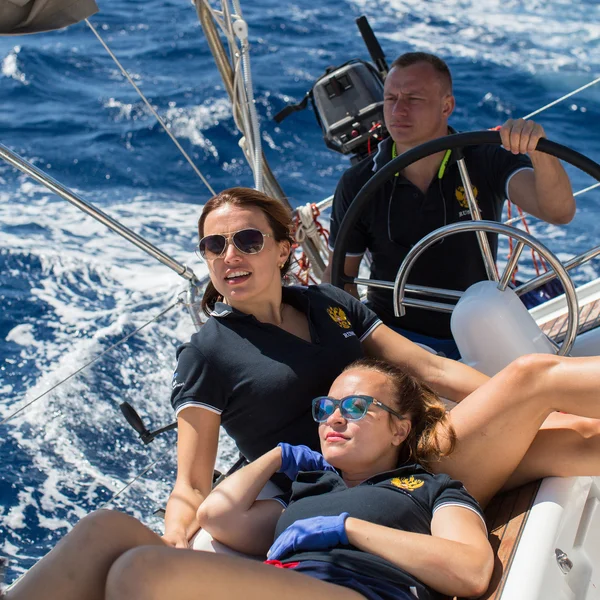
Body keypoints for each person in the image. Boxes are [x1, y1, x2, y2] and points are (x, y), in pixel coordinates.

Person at [165, 186, 600, 555]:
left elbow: (431, 368)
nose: (229, 255)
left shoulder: (328, 303)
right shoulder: (207, 354)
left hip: (410, 450)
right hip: (364, 490)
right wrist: (172, 550)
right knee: (533, 376)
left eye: (247, 240)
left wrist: (537, 414)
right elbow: (191, 485)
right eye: (214, 245)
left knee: (576, 441)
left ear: (283, 249)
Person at [5, 359, 494, 600]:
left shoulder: (430, 489)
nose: (334, 419)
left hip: (360, 591)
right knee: (105, 528)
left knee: (141, 572)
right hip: (282, 584)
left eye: (356, 408)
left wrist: (347, 529)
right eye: (326, 409)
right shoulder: (309, 489)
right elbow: (215, 515)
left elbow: (470, 570)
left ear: (400, 427)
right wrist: (276, 457)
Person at [323, 51, 575, 358]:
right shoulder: (359, 182)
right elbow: (340, 281)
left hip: (481, 327)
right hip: (396, 338)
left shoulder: (485, 157)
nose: (398, 110)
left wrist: (539, 151)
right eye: (390, 99)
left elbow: (558, 211)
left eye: (413, 99)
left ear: (447, 106)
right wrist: (365, 347)